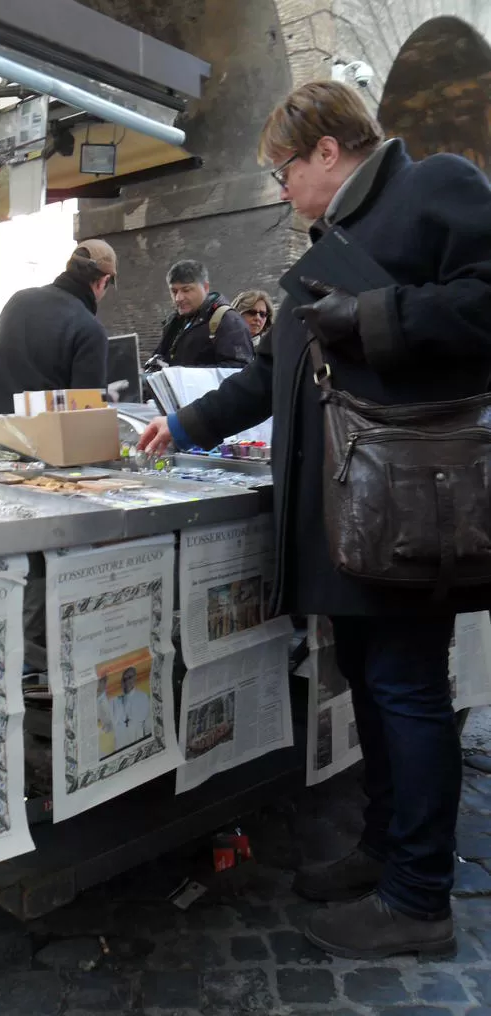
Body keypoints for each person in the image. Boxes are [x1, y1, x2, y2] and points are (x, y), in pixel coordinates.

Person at [139, 80, 491, 960]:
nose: (282, 187)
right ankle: (384, 851)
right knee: (374, 686)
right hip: (349, 515)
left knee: (408, 690)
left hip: (408, 506)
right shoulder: (330, 237)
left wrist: (375, 315)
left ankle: (419, 900)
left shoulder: (434, 186)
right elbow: (266, 377)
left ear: (328, 150)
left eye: (284, 169)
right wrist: (179, 425)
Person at [0, 239, 116, 414]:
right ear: (103, 281)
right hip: (44, 438)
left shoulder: (18, 301)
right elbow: (86, 416)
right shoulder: (89, 329)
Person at [147, 260, 254, 371]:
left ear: (206, 287)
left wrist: (183, 375)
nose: (178, 298)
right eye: (174, 291)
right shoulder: (174, 321)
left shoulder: (229, 321)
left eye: (186, 290)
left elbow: (239, 371)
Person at [109, 666, 151, 751]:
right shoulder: (116, 701)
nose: (127, 681)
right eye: (124, 679)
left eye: (129, 678)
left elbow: (148, 723)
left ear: (135, 678)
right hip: (121, 744)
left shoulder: (143, 697)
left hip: (137, 741)